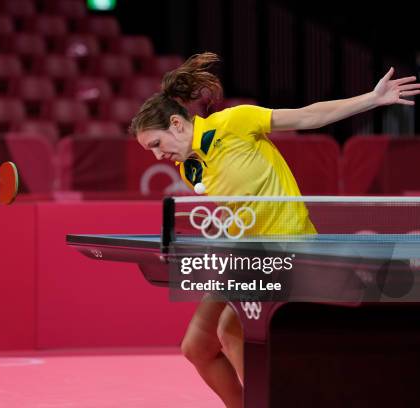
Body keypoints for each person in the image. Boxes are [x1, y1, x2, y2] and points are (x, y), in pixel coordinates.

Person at [129, 52, 420, 407]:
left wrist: (372, 99)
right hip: (246, 255)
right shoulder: (190, 169)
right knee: (197, 347)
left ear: (176, 124)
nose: (158, 157)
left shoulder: (234, 122)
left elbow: (308, 116)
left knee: (231, 332)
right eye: (150, 152)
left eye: (156, 145)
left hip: (288, 247)